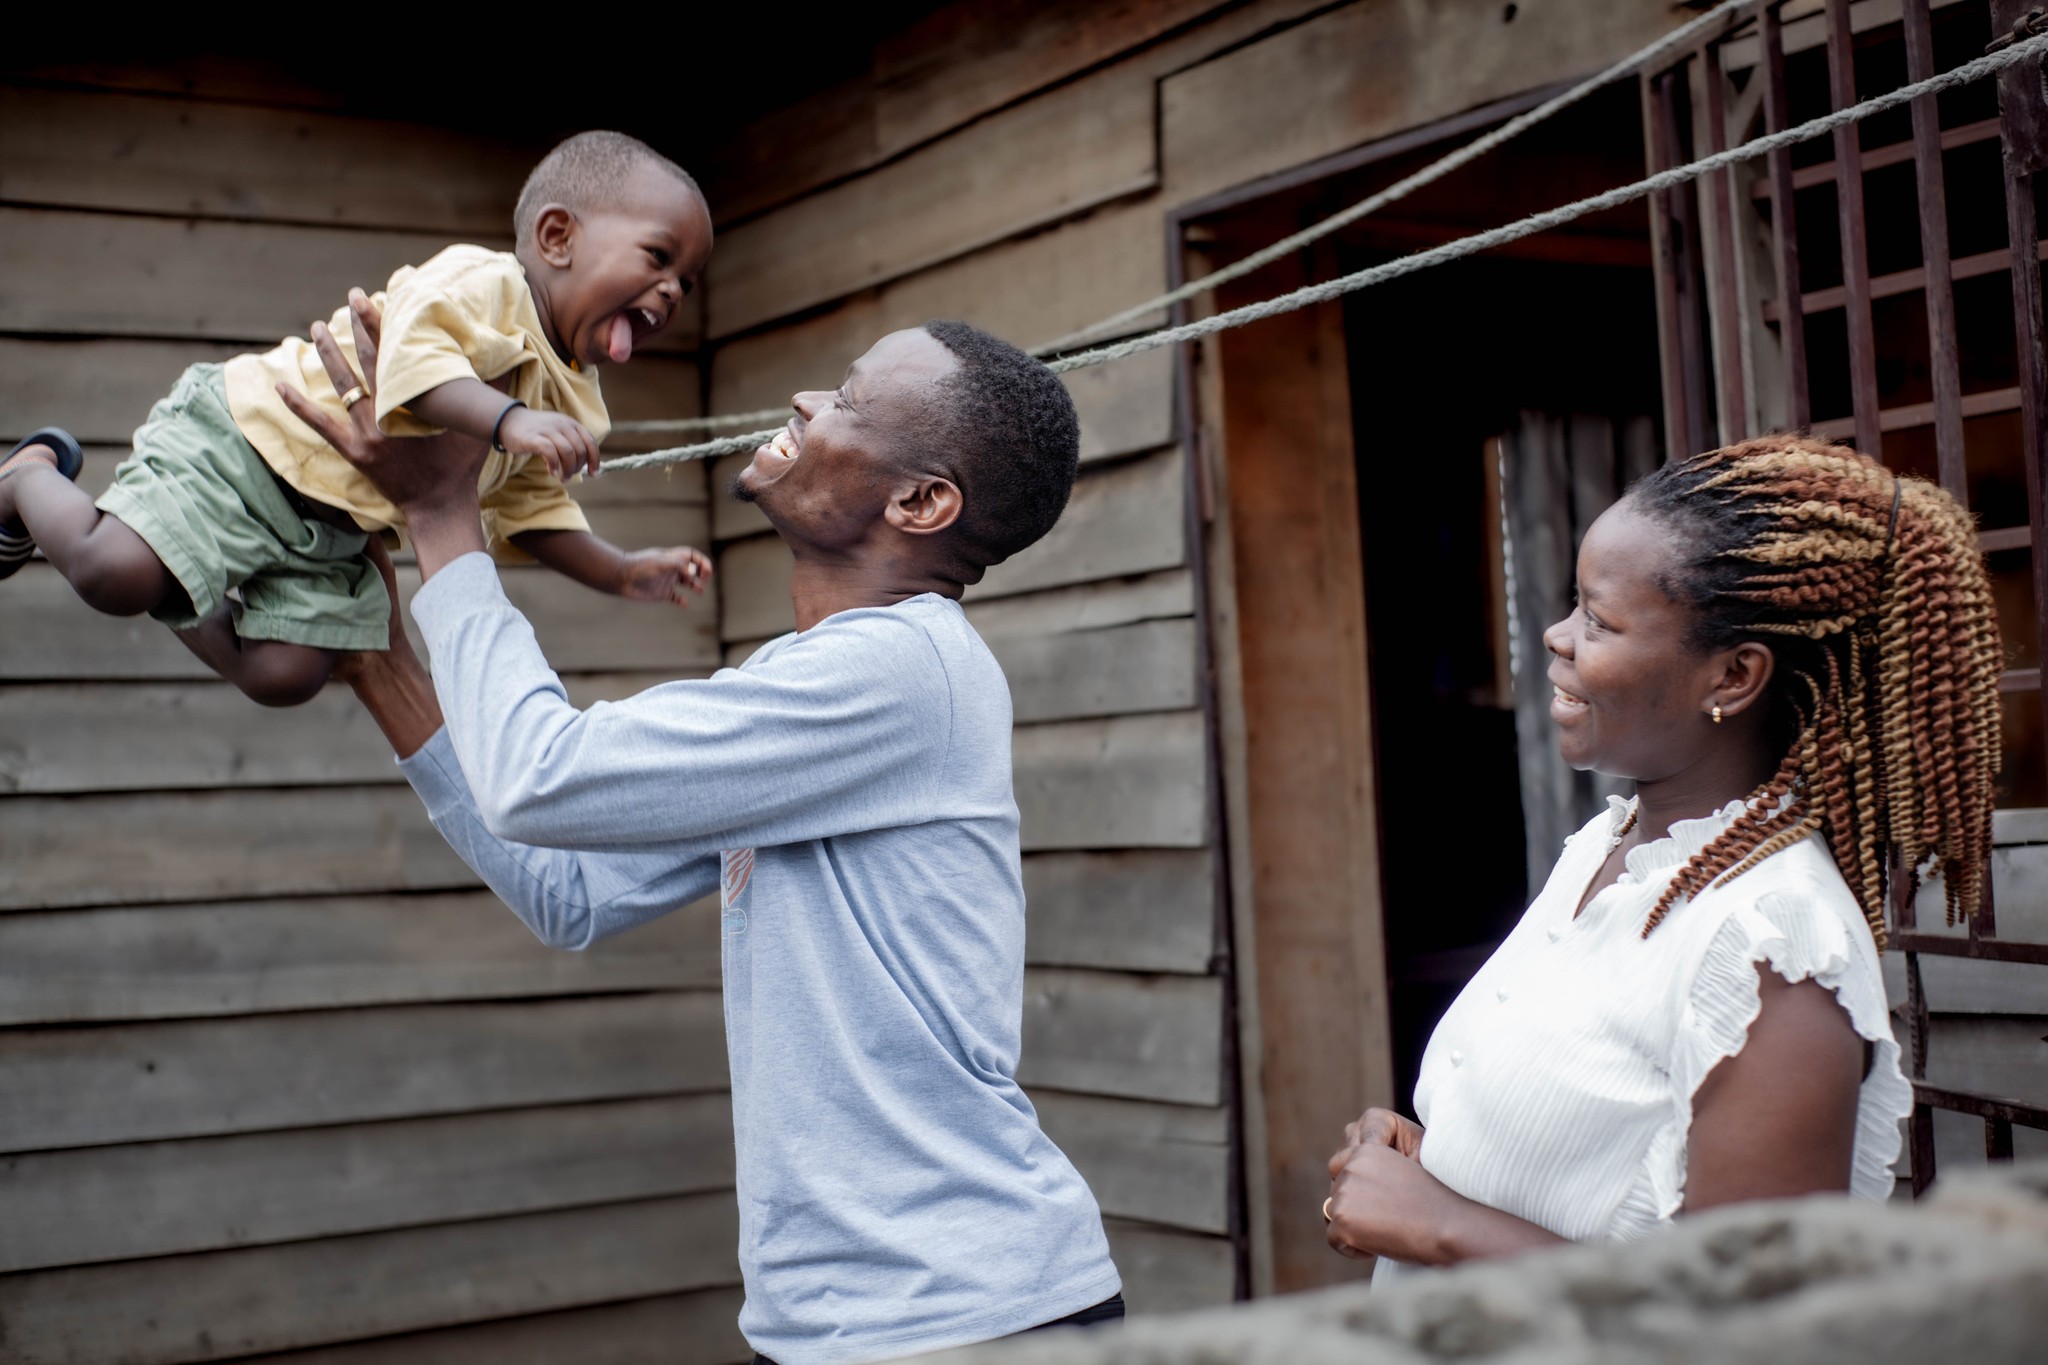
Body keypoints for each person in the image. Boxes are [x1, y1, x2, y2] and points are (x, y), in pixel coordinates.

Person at [281, 297, 1124, 1363]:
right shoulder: (817, 686)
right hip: (837, 1321)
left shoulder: (898, 673)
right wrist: (376, 660)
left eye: (852, 400)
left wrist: (444, 513)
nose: (808, 400)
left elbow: (539, 778)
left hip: (964, 1318)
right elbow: (568, 892)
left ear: (919, 502)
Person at [1325, 437, 2000, 1274]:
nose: (1556, 635)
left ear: (1732, 676)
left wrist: (1436, 1224)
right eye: (1575, 604)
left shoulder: (1773, 950)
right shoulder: (1612, 847)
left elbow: (1744, 1315)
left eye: (1598, 620)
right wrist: (1431, 1158)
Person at [0, 130, 713, 706]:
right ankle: (28, 475)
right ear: (557, 237)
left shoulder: (577, 398)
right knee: (110, 574)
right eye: (658, 256)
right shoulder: (484, 285)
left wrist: (618, 571)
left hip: (331, 534)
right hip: (252, 443)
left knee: (284, 676)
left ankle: (177, 574)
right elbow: (411, 363)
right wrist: (508, 418)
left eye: (686, 280)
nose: (672, 290)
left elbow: (530, 509)